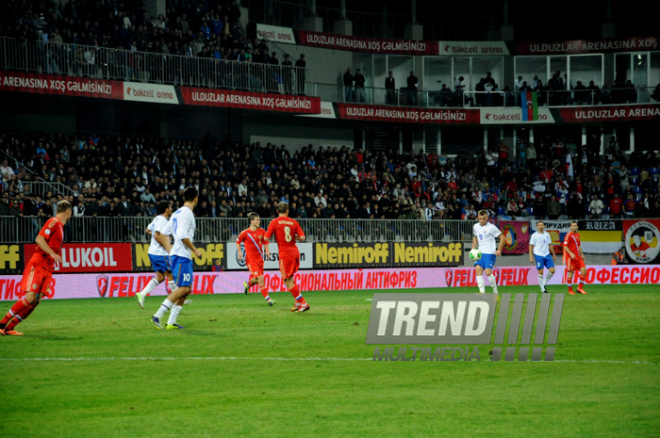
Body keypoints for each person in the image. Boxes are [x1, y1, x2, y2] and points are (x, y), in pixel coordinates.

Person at [0, 201, 72, 336]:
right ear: (68, 212)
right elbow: (39, 239)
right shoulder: (54, 221)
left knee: (36, 300)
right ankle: (2, 323)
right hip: (39, 263)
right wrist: (51, 252)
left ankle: (10, 327)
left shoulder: (61, 227)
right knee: (30, 296)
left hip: (48, 267)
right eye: (70, 213)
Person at [151, 187, 202, 330]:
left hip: (179, 255)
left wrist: (170, 249)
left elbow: (160, 233)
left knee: (187, 289)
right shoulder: (187, 213)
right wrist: (195, 250)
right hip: (181, 256)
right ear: (196, 198)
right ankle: (158, 315)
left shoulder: (177, 213)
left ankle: (171, 322)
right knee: (183, 288)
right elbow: (182, 235)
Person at [264, 202, 310, 312]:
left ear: (277, 211)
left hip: (285, 253)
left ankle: (303, 302)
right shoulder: (293, 222)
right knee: (291, 279)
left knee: (286, 280)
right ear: (287, 211)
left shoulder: (274, 222)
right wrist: (294, 237)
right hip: (295, 251)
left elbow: (266, 238)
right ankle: (298, 303)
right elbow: (303, 237)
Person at [136, 200, 177, 309]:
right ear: (166, 209)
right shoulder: (162, 220)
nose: (171, 209)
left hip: (152, 252)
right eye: (170, 207)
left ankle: (142, 294)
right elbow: (156, 236)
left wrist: (165, 237)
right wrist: (167, 245)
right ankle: (177, 298)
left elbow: (148, 230)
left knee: (161, 277)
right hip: (160, 253)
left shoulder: (157, 219)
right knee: (171, 274)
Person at [237, 212, 274, 306]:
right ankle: (268, 299)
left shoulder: (262, 231)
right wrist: (240, 252)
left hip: (260, 259)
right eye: (257, 220)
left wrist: (267, 251)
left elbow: (265, 242)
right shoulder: (245, 233)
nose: (259, 221)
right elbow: (238, 241)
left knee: (257, 279)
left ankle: (247, 284)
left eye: (259, 219)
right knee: (260, 278)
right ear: (252, 221)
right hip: (251, 260)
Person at [471, 210, 505, 297]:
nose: (482, 220)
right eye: (480, 218)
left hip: (489, 253)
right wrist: (473, 248)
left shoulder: (492, 227)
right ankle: (482, 293)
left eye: (484, 218)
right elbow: (475, 237)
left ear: (487, 218)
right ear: (478, 218)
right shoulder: (475, 227)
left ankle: (495, 292)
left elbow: (502, 238)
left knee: (488, 272)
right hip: (480, 252)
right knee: (478, 270)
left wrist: (499, 250)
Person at [529, 221, 556, 293]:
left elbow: (550, 244)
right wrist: (531, 257)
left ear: (544, 226)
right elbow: (531, 246)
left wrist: (553, 254)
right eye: (539, 225)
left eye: (542, 225)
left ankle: (543, 283)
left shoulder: (547, 234)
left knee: (552, 270)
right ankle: (542, 289)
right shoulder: (534, 235)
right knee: (541, 272)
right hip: (538, 254)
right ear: (537, 226)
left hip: (547, 254)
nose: (541, 226)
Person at [563, 221, 588, 295]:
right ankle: (570, 290)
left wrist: (582, 254)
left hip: (578, 256)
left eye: (575, 226)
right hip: (571, 258)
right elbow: (565, 246)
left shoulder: (577, 234)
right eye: (572, 226)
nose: (574, 227)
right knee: (571, 273)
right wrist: (570, 253)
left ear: (577, 227)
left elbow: (579, 245)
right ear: (570, 227)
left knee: (584, 271)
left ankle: (580, 288)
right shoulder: (568, 235)